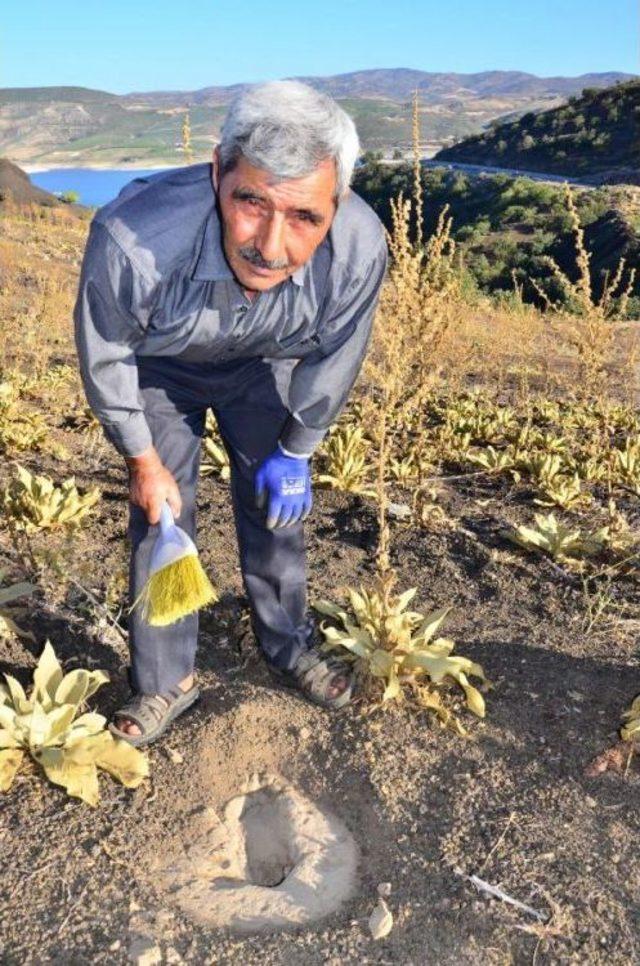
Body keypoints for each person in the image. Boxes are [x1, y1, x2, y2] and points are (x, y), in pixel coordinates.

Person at [73, 80, 389, 746]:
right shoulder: (135, 239)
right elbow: (107, 355)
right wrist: (142, 458)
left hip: (264, 364)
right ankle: (165, 680)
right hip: (160, 370)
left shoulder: (359, 247)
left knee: (276, 507)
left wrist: (298, 450)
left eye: (306, 217)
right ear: (217, 173)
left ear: (339, 202)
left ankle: (287, 642)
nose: (270, 244)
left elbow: (336, 355)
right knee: (162, 516)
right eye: (250, 202)